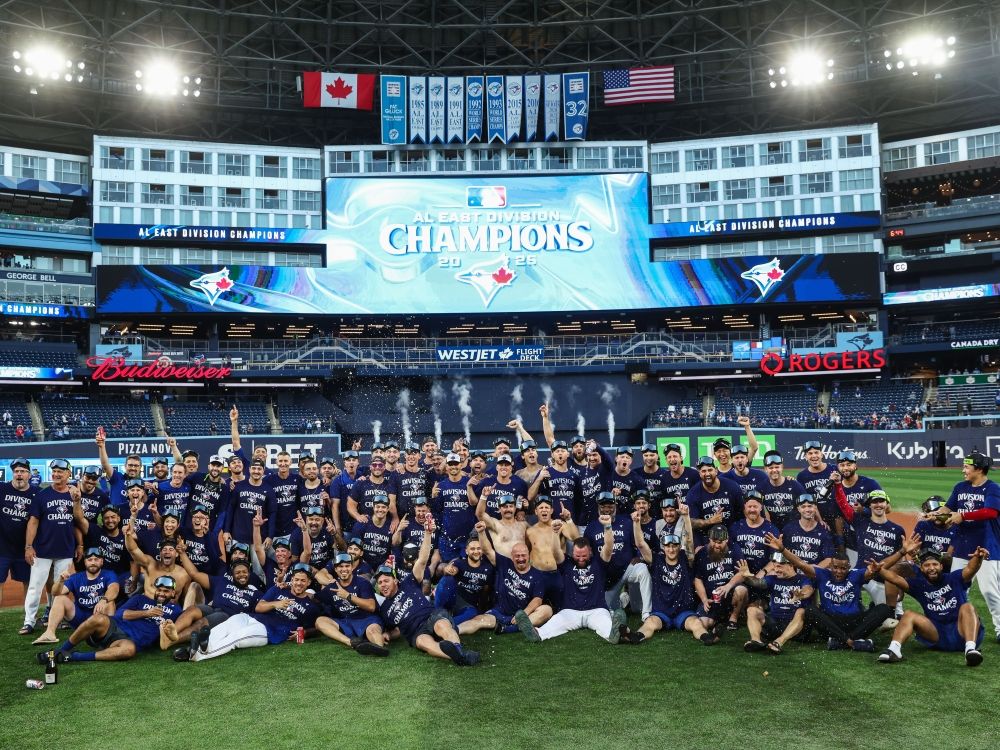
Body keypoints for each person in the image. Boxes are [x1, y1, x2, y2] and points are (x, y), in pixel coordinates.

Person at [376, 516, 480, 666]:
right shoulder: (385, 609)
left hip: (431, 617)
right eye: (380, 583)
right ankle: (458, 656)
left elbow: (422, 560)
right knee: (423, 642)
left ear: (395, 581)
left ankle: (457, 649)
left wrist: (428, 533)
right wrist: (388, 635)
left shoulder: (409, 583)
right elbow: (397, 630)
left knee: (441, 626)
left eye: (386, 581)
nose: (383, 585)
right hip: (416, 632)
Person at [765, 531, 895, 652]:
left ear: (849, 567)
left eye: (843, 568)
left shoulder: (856, 575)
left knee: (884, 608)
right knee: (809, 610)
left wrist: (883, 565)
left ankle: (842, 642)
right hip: (830, 622)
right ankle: (852, 642)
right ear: (830, 566)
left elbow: (875, 569)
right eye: (836, 567)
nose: (839, 571)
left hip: (854, 621)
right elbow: (800, 564)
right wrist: (782, 549)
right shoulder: (822, 574)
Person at [876, 541, 987, 666]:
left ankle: (970, 650)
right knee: (908, 614)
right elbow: (893, 577)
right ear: (921, 568)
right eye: (927, 565)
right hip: (936, 635)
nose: (931, 568)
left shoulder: (954, 578)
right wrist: (879, 569)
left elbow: (971, 568)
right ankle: (894, 650)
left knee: (967, 607)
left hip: (962, 633)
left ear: (941, 566)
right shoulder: (919, 585)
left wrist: (978, 558)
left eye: (935, 564)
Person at [186, 563, 322, 662]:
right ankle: (194, 648)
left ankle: (197, 655)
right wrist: (276, 604)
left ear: (309, 582)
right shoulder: (278, 589)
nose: (299, 583)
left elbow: (318, 626)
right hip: (252, 617)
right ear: (291, 580)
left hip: (270, 631)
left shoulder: (311, 606)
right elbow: (259, 607)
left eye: (303, 581)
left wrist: (305, 633)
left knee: (236, 637)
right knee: (227, 626)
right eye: (296, 580)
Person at [515, 526, 627, 644]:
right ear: (572, 552)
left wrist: (608, 526)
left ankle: (614, 635)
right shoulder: (566, 563)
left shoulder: (598, 562)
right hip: (570, 611)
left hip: (597, 610)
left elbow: (608, 547)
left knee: (608, 628)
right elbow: (555, 551)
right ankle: (537, 634)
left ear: (590, 551)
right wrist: (555, 533)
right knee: (554, 622)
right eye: (577, 556)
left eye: (584, 556)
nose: (581, 559)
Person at [45, 575, 182, 663]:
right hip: (114, 627)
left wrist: (169, 630)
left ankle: (74, 657)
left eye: (166, 591)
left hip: (129, 641)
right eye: (159, 590)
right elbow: (119, 614)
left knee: (129, 650)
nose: (161, 593)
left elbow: (176, 632)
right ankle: (61, 650)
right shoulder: (140, 599)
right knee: (98, 618)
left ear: (173, 593)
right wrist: (146, 613)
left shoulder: (176, 611)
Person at [942, 451, 1000, 642]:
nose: (963, 470)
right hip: (962, 546)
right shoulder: (960, 487)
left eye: (966, 467)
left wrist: (963, 515)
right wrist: (936, 514)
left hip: (986, 547)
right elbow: (948, 508)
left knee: (989, 591)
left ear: (979, 469)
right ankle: (954, 628)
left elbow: (990, 512)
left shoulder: (992, 488)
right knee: (956, 589)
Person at [458, 525, 552, 636]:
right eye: (517, 556)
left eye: (523, 555)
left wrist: (524, 613)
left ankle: (507, 629)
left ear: (529, 555)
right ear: (512, 556)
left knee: (547, 610)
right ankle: (453, 631)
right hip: (498, 613)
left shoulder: (537, 575)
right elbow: (487, 551)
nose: (520, 559)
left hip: (521, 616)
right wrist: (481, 532)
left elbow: (537, 599)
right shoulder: (505, 563)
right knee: (478, 620)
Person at [22, 459, 77, 636]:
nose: (56, 474)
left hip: (65, 549)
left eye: (60, 471)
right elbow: (33, 522)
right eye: (54, 471)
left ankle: (57, 618)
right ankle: (29, 621)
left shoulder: (74, 494)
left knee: (61, 587)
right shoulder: (42, 495)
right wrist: (28, 546)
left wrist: (80, 544)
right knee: (35, 587)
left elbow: (78, 521)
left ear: (68, 474)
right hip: (42, 550)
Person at [583, 491, 652, 620]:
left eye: (610, 506)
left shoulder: (626, 522)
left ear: (615, 506)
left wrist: (639, 556)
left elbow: (637, 543)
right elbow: (588, 554)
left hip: (627, 569)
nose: (607, 509)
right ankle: (623, 599)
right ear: (598, 507)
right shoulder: (591, 527)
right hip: (608, 577)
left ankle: (646, 613)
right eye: (603, 506)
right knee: (608, 610)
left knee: (642, 570)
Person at [31, 547, 119, 645]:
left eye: (96, 559)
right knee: (60, 598)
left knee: (110, 602)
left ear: (101, 562)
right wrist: (61, 580)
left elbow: (114, 589)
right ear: (85, 562)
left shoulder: (109, 574)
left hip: (99, 617)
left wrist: (104, 600)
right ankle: (49, 633)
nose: (93, 562)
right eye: (90, 560)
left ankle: (110, 635)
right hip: (80, 617)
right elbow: (55, 593)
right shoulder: (76, 577)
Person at [314, 552, 388, 656]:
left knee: (373, 630)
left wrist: (348, 596)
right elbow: (316, 598)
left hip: (367, 619)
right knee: (320, 621)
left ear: (352, 567)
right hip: (346, 622)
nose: (344, 569)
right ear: (335, 569)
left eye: (347, 566)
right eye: (340, 566)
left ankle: (379, 648)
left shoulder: (362, 582)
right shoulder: (332, 586)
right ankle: (351, 642)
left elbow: (371, 606)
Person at [739, 553, 812, 654]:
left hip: (797, 630)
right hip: (775, 625)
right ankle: (756, 641)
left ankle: (778, 643)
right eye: (774, 566)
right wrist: (746, 577)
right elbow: (757, 583)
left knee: (801, 611)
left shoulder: (803, 579)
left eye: (779, 566)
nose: (776, 570)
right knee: (752, 609)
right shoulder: (772, 579)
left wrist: (802, 594)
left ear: (791, 565)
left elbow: (808, 589)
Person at [693, 524, 748, 633]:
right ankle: (718, 624)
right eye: (714, 541)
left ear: (726, 540)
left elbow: (743, 573)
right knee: (703, 623)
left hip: (730, 595)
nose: (717, 545)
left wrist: (728, 586)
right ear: (709, 539)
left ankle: (733, 619)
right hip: (712, 597)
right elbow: (697, 579)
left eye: (720, 542)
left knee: (741, 590)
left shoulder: (734, 549)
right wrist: (704, 599)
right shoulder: (702, 553)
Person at [433, 533, 495, 624]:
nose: (476, 551)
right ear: (466, 551)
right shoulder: (459, 563)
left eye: (478, 548)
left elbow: (485, 592)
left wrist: (482, 610)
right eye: (472, 549)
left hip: (467, 604)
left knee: (472, 613)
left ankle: (446, 624)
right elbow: (451, 570)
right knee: (447, 579)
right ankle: (437, 613)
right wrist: (448, 570)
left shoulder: (488, 569)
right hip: (453, 598)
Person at [1, 458, 34, 613]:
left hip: (24, 549)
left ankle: (29, 619)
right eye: (16, 471)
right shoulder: (2, 489)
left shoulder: (37, 493)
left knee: (29, 583)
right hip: (2, 547)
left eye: (23, 471)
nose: (19, 474)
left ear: (29, 475)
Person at [780, 494, 834, 569]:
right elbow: (782, 554)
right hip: (792, 572)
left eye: (810, 506)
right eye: (803, 507)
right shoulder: (788, 529)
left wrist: (811, 570)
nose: (807, 510)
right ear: (798, 509)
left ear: (815, 507)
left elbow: (829, 559)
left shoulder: (824, 531)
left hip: (814, 573)